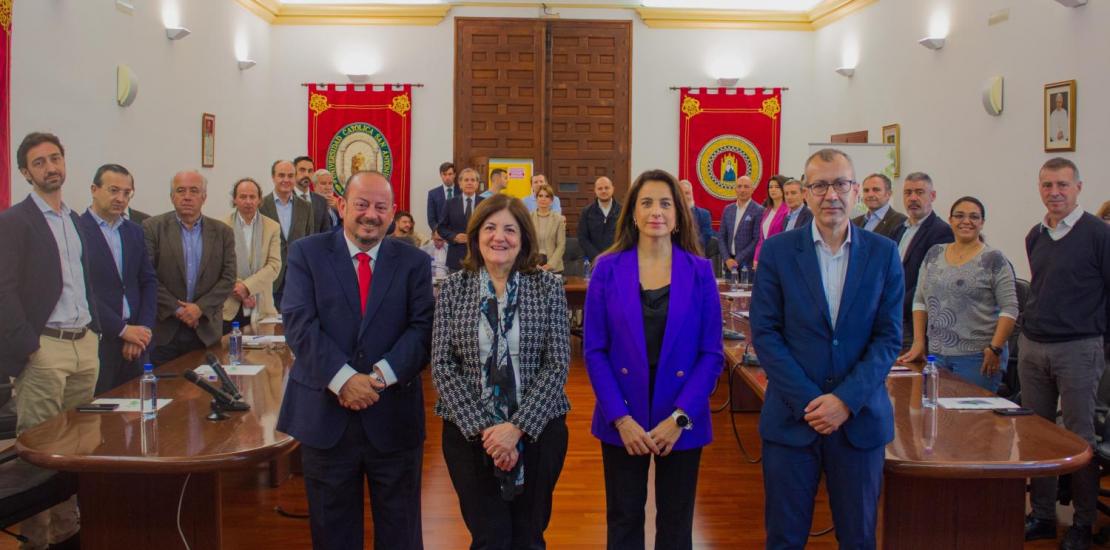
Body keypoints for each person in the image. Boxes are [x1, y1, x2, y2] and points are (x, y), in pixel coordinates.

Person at [750, 148, 903, 549]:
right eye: (819, 185)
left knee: (858, 537)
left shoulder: (884, 254)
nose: (830, 194)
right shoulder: (780, 251)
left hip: (860, 421)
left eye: (840, 184)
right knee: (784, 538)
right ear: (805, 191)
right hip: (791, 421)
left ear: (855, 191)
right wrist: (812, 402)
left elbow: (889, 338)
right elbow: (765, 333)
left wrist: (845, 401)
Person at [277, 170, 434, 550]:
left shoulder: (412, 261)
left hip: (393, 415)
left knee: (401, 533)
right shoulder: (306, 253)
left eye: (381, 207)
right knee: (333, 534)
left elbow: (422, 328)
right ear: (342, 205)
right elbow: (299, 323)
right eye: (362, 204)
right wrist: (345, 379)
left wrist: (378, 377)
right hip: (326, 417)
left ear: (393, 212)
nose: (371, 214)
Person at [584, 169, 723, 550]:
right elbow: (594, 350)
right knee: (624, 518)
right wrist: (621, 419)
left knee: (676, 522)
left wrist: (680, 418)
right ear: (632, 212)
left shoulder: (700, 272)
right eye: (646, 202)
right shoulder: (607, 269)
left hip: (680, 415)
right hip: (622, 414)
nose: (655, 211)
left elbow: (711, 354)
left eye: (665, 203)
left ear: (679, 215)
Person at [432, 193, 571, 549]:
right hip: (469, 434)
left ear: (523, 237)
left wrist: (517, 428)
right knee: (488, 537)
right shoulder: (453, 289)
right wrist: (490, 434)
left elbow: (556, 365)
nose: (500, 237)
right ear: (477, 235)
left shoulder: (548, 288)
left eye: (510, 229)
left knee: (529, 536)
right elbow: (443, 367)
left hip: (539, 430)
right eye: (491, 228)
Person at [0, 132, 100, 549]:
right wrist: (28, 346)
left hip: (83, 343)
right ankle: (36, 540)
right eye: (39, 162)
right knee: (39, 452)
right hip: (45, 347)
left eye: (55, 158)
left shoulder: (75, 221)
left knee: (76, 448)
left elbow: (83, 281)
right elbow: (4, 288)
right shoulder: (14, 220)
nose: (49, 167)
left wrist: (92, 332)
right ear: (25, 172)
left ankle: (67, 532)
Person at [1020, 158, 1110, 550]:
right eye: (1047, 185)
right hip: (1034, 346)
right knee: (1037, 436)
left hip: (1079, 348)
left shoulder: (1098, 234)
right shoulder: (1035, 235)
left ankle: (1083, 523)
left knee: (1078, 440)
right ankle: (1042, 515)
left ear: (1078, 188)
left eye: (1062, 185)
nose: (1054, 192)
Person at [897, 197, 1018, 392]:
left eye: (974, 217)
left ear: (982, 223)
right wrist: (919, 342)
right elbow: (920, 301)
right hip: (936, 355)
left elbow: (1010, 309)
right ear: (950, 220)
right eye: (959, 216)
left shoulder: (994, 259)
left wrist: (995, 348)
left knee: (972, 421)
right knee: (940, 417)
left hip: (978, 357)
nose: (966, 221)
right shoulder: (934, 253)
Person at [77, 164, 158, 394]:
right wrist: (122, 330)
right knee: (100, 420)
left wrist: (141, 330)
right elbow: (83, 289)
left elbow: (148, 281)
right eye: (113, 190)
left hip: (137, 341)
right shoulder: (78, 230)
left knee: (136, 414)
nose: (120, 198)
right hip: (100, 339)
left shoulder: (134, 231)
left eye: (127, 193)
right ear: (94, 189)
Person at [144, 170, 236, 365]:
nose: (187, 197)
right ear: (172, 197)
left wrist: (199, 309)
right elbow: (148, 276)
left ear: (204, 197)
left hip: (205, 330)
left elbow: (228, 278)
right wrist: (178, 309)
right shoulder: (152, 228)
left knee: (205, 391)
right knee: (164, 391)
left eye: (194, 191)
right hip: (165, 330)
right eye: (181, 190)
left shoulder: (222, 232)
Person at [892, 172, 954, 348]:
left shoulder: (941, 232)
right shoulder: (900, 230)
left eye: (919, 192)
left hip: (915, 320)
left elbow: (929, 281)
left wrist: (896, 305)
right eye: (908, 193)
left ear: (932, 196)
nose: (913, 198)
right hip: (894, 317)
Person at [222, 177, 282, 331]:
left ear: (259, 200)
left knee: (262, 355)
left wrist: (247, 288)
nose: (248, 201)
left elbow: (274, 265)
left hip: (262, 306)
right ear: (234, 199)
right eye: (243, 197)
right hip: (229, 306)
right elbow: (217, 267)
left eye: (252, 197)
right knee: (228, 353)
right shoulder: (221, 226)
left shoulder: (272, 227)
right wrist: (237, 289)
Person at [261, 159, 315, 309]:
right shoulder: (261, 206)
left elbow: (309, 241)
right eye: (281, 175)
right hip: (271, 279)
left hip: (297, 276)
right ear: (273, 177)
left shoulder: (306, 207)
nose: (286, 180)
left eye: (290, 175)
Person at [438, 167, 484, 271]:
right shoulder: (450, 203)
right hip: (456, 257)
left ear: (477, 184)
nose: (469, 183)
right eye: (466, 180)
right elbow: (441, 227)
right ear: (460, 183)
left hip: (479, 256)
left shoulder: (485, 204)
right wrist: (454, 236)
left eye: (473, 180)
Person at [719, 175, 765, 272]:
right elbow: (721, 237)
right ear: (735, 189)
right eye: (739, 186)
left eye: (746, 186)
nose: (742, 190)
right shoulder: (728, 209)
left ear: (753, 189)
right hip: (728, 265)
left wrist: (737, 260)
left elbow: (756, 239)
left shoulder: (759, 210)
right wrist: (727, 259)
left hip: (747, 265)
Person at [578, 176, 621, 262]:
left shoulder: (623, 211)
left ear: (613, 189)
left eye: (606, 188)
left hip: (618, 260)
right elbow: (583, 238)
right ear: (595, 190)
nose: (603, 191)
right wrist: (597, 257)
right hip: (595, 262)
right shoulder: (586, 212)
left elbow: (627, 236)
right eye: (600, 188)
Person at [851, 173, 907, 240]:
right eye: (866, 190)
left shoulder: (900, 221)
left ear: (888, 194)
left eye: (876, 190)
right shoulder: (854, 222)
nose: (870, 194)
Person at [753, 175, 789, 266]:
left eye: (777, 187)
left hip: (778, 258)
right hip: (764, 257)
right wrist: (756, 258)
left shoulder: (787, 211)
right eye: (770, 187)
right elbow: (761, 239)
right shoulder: (767, 210)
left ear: (783, 189)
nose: (773, 190)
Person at [530, 184, 566, 273]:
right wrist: (532, 263)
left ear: (551, 200)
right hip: (532, 266)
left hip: (554, 268)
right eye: (540, 196)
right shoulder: (528, 218)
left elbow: (561, 245)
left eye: (547, 196)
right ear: (536, 198)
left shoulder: (559, 219)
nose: (543, 199)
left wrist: (550, 264)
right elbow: (525, 244)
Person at [294, 155, 333, 234]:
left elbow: (326, 233)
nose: (306, 174)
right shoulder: (286, 198)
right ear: (293, 172)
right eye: (302, 170)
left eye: (310, 171)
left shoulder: (321, 201)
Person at [678, 179, 712, 254]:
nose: (684, 196)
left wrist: (691, 245)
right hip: (676, 253)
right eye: (681, 193)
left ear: (692, 194)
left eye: (687, 193)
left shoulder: (704, 214)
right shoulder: (671, 214)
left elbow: (707, 234)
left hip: (696, 253)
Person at [427, 161, 457, 234]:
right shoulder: (432, 194)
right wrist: (438, 232)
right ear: (441, 175)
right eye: (444, 174)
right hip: (440, 234)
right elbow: (431, 218)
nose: (447, 177)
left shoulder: (462, 192)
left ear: (454, 175)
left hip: (458, 234)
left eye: (450, 174)